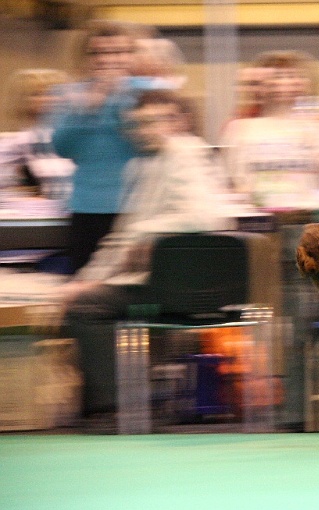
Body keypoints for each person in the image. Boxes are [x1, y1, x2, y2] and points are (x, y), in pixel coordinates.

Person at [60, 89, 233, 419]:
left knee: (84, 308)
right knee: (80, 299)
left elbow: (207, 216)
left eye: (153, 121)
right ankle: (122, 398)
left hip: (181, 290)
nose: (143, 130)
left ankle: (113, 406)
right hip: (165, 283)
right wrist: (84, 280)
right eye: (136, 124)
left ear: (175, 121)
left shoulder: (186, 153)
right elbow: (119, 241)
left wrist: (147, 233)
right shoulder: (143, 166)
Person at [49, 20, 149, 273]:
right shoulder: (69, 94)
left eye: (117, 52)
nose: (107, 59)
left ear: (131, 55)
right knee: (85, 288)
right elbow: (62, 147)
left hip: (138, 208)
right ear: (86, 57)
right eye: (99, 52)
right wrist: (85, 112)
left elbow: (148, 143)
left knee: (134, 291)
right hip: (87, 208)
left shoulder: (149, 93)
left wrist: (118, 101)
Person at [220, 51, 319, 213]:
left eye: (292, 75)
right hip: (258, 220)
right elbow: (228, 182)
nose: (285, 82)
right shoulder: (239, 129)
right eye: (277, 76)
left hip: (307, 219)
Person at [0, 68, 74, 201]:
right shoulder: (26, 138)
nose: (48, 99)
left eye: (54, 92)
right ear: (22, 99)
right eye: (37, 94)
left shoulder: (75, 132)